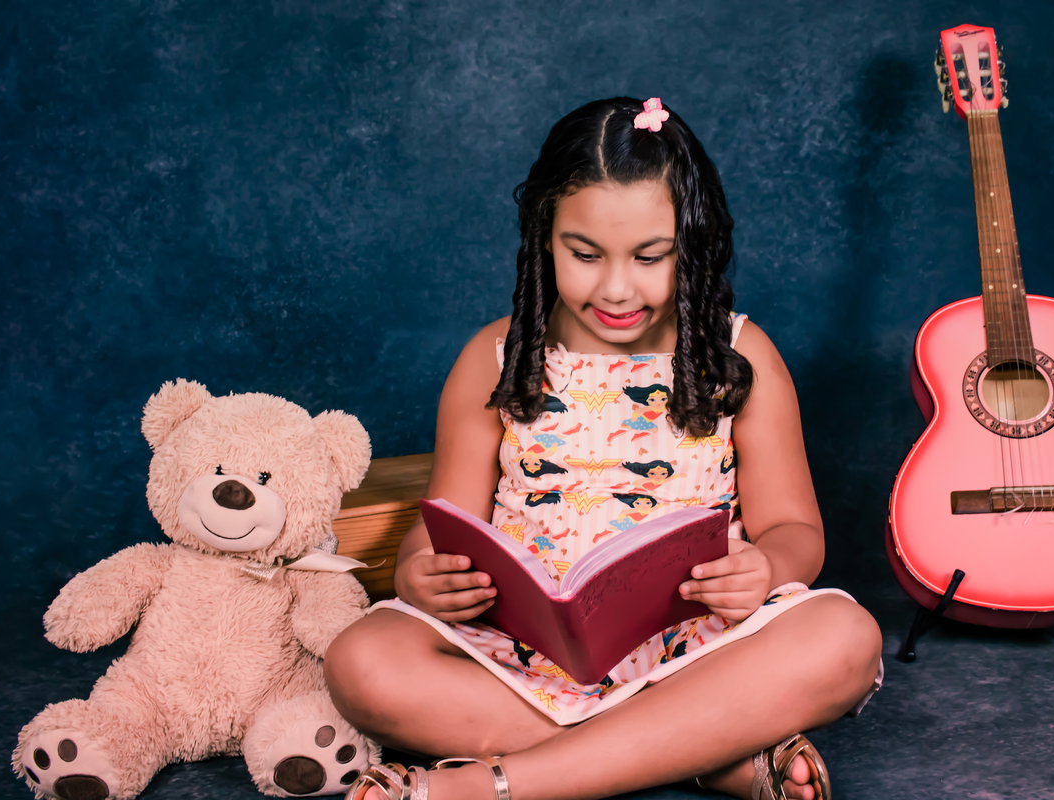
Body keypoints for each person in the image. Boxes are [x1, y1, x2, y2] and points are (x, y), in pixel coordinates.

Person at [325, 96, 883, 800]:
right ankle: (710, 752)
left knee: (844, 638)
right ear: (544, 238)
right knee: (361, 662)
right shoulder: (494, 359)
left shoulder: (739, 357)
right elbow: (439, 526)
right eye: (584, 255)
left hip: (701, 653)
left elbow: (796, 530)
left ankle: (489, 786)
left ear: (693, 244)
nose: (617, 288)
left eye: (651, 257)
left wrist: (767, 566)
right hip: (521, 659)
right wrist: (418, 575)